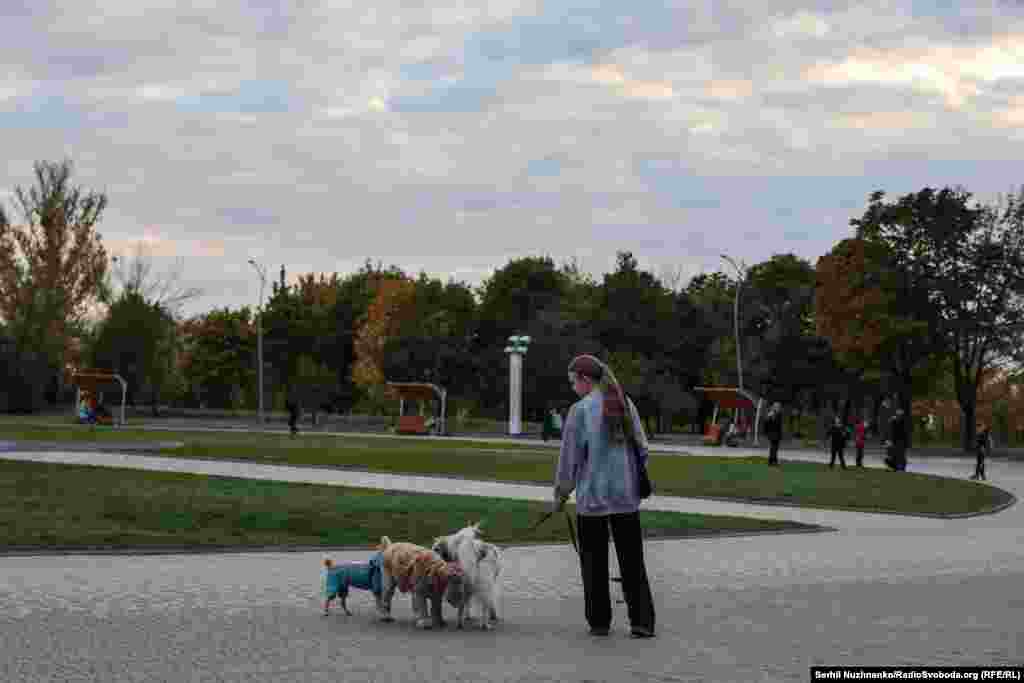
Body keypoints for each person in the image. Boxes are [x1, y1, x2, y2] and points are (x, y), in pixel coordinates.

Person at [553, 354, 656, 639]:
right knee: (633, 561)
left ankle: (599, 621)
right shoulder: (625, 403)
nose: (573, 388)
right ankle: (642, 621)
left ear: (586, 380)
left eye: (574, 382)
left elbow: (569, 461)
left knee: (593, 563)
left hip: (593, 500)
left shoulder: (581, 410)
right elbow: (643, 448)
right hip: (626, 497)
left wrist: (561, 493)